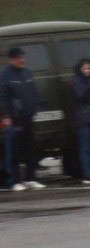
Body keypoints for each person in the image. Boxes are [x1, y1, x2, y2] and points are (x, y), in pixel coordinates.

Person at [0, 47, 45, 191]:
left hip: (28, 117)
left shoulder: (27, 72)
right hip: (14, 119)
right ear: (11, 59)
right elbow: (3, 97)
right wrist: (6, 115)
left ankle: (31, 178)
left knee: (31, 148)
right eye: (19, 58)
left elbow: (34, 91)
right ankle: (15, 181)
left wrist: (36, 106)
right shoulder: (6, 75)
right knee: (14, 150)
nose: (22, 60)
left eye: (22, 57)